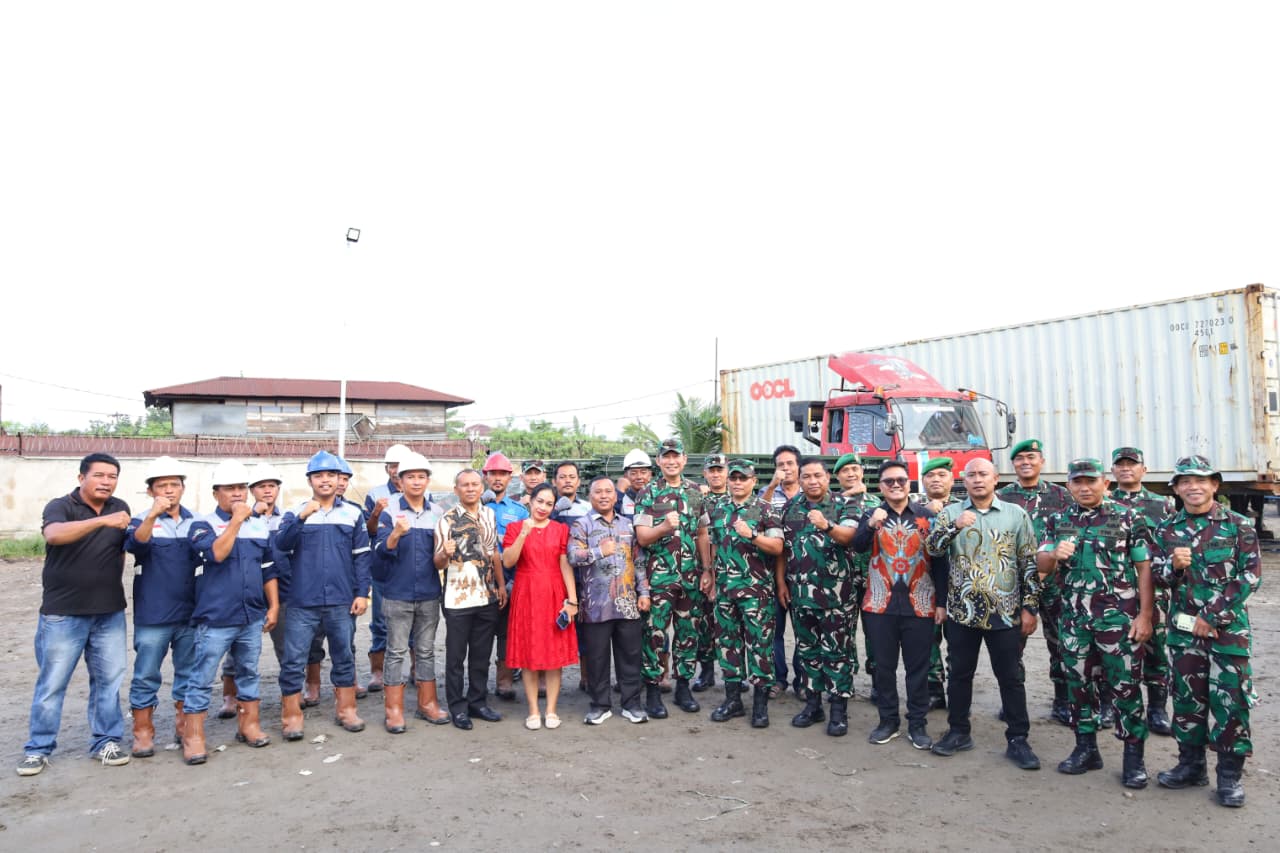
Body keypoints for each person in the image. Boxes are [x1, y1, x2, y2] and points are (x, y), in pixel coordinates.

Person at [1152, 456, 1261, 808]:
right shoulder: (1166, 530)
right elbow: (1157, 578)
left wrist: (1212, 616)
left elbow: (1250, 577)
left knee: (1231, 701)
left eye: (1200, 480)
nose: (1193, 487)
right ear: (1176, 488)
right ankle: (1191, 765)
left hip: (1228, 633)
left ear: (1215, 484)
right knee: (1187, 699)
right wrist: (1173, 567)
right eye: (1185, 481)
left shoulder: (1238, 525)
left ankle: (1229, 777)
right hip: (1184, 634)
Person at [1038, 458, 1154, 788]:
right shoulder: (1058, 519)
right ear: (1069, 486)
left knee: (1126, 687)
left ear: (1105, 483)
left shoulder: (1129, 517)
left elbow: (1144, 568)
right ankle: (1086, 749)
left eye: (1091, 481)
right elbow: (1042, 564)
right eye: (1078, 482)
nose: (1085, 487)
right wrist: (1053, 555)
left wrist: (1145, 615)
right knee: (1078, 685)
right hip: (1075, 620)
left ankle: (1134, 757)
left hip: (1118, 620)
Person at [18, 453, 133, 777]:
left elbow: (119, 553)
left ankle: (106, 742)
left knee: (108, 682)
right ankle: (38, 749)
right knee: (52, 684)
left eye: (112, 476)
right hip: (63, 614)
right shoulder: (61, 506)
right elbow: (54, 535)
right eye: (99, 475)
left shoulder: (120, 507)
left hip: (109, 613)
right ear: (81, 477)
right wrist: (101, 521)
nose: (106, 482)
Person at [925, 458, 1043, 771]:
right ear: (963, 481)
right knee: (959, 675)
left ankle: (1018, 738)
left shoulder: (1015, 514)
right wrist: (954, 526)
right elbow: (933, 549)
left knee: (1011, 677)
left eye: (983, 474)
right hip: (962, 612)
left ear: (996, 478)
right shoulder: (950, 513)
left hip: (1005, 613)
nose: (977, 479)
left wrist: (1030, 607)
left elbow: (1028, 562)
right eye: (972, 475)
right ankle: (958, 731)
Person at [181, 461, 279, 765]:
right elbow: (217, 554)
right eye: (229, 489)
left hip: (251, 616)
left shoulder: (259, 525)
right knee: (202, 676)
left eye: (240, 488)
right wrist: (236, 521)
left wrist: (273, 605)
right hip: (216, 618)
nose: (237, 494)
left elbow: (268, 568)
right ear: (216, 493)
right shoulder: (202, 525)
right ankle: (193, 736)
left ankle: (249, 725)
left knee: (249, 671)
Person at [275, 451, 372, 740]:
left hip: (341, 600)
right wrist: (301, 518)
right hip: (303, 602)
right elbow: (281, 545)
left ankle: (347, 710)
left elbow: (362, 557)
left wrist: (362, 593)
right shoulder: (295, 512)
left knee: (344, 655)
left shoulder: (353, 513)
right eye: (318, 475)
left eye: (331, 475)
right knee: (294, 659)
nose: (325, 480)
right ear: (310, 481)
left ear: (339, 479)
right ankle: (292, 716)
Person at [853, 460, 948, 750]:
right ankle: (888, 721)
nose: (895, 485)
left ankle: (917, 724)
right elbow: (857, 546)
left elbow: (940, 560)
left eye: (901, 480)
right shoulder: (871, 514)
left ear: (909, 484)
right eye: (889, 481)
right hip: (879, 604)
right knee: (883, 668)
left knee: (918, 668)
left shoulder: (926, 516)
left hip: (920, 603)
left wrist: (942, 602)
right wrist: (870, 525)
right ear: (880, 486)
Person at [776, 458, 858, 737]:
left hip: (837, 596)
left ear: (827, 478)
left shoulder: (844, 504)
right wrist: (781, 583)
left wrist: (826, 525)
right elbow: (783, 550)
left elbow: (850, 537)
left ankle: (838, 709)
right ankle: (813, 705)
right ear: (799, 479)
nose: (812, 481)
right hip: (800, 595)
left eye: (818, 475)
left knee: (837, 653)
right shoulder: (790, 508)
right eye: (807, 476)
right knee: (807, 651)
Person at [124, 457, 198, 758]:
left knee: (188, 672)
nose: (169, 490)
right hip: (153, 614)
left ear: (183, 488)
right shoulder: (139, 521)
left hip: (190, 613)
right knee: (145, 674)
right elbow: (136, 545)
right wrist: (153, 515)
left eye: (174, 484)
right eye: (162, 485)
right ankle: (143, 732)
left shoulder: (196, 522)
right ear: (150, 490)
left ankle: (184, 727)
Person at [634, 437, 710, 718]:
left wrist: (707, 569)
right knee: (654, 633)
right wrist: (664, 527)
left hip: (690, 577)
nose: (671, 461)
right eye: (666, 456)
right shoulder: (648, 493)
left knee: (688, 632)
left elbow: (702, 533)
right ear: (658, 461)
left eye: (675, 456)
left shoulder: (695, 492)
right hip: (659, 578)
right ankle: (653, 690)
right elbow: (642, 538)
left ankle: (683, 687)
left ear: (684, 459)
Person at [998, 439, 1072, 725]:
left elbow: (1069, 535)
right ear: (1013, 465)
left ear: (1042, 461)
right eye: (1020, 458)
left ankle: (1063, 701)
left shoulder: (1062, 496)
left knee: (1061, 643)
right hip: (1014, 584)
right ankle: (1012, 702)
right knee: (1011, 645)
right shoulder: (1002, 496)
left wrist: (1046, 567)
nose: (1026, 462)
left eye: (1031, 457)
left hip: (1055, 581)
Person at [704, 461, 783, 728]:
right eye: (734, 478)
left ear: (753, 481)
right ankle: (733, 700)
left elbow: (777, 547)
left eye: (743, 478)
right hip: (725, 590)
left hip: (755, 591)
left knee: (760, 646)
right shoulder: (719, 509)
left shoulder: (765, 509)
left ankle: (760, 705)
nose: (737, 482)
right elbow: (715, 545)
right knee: (727, 644)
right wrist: (711, 576)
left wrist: (752, 536)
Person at [374, 452, 448, 732]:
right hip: (397, 594)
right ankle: (393, 710)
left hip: (429, 594)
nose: (416, 482)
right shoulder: (390, 510)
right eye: (410, 477)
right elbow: (380, 551)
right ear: (400, 480)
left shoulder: (438, 513)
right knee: (395, 652)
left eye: (421, 476)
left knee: (426, 651)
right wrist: (395, 533)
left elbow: (439, 558)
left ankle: (428, 704)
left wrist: (446, 552)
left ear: (428, 480)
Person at [568, 477, 650, 725]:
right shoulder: (581, 525)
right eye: (598, 492)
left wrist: (644, 592)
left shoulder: (628, 525)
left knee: (630, 657)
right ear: (590, 496)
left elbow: (639, 562)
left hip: (628, 604)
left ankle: (631, 705)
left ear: (616, 496)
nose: (603, 496)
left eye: (608, 491)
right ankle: (599, 706)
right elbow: (572, 557)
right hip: (595, 606)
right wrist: (599, 552)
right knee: (597, 659)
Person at [1109, 446, 1177, 736]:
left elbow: (1173, 544)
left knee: (1156, 649)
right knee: (1113, 649)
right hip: (1114, 591)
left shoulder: (1162, 505)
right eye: (1121, 464)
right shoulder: (1105, 502)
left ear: (1144, 470)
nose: (1126, 468)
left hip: (1156, 589)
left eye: (1132, 464)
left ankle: (1157, 709)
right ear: (1112, 471)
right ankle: (1110, 706)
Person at [434, 469, 507, 730]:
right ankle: (457, 707)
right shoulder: (446, 520)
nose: (470, 488)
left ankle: (478, 702)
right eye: (464, 485)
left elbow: (494, 552)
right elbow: (437, 562)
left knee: (481, 655)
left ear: (481, 487)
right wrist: (445, 553)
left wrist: (501, 585)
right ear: (456, 490)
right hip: (458, 599)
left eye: (475, 484)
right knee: (455, 658)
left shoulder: (489, 514)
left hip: (486, 595)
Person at [503, 482, 579, 729]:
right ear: (530, 500)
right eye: (539, 501)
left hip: (554, 592)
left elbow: (565, 564)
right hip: (526, 593)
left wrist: (572, 600)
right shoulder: (515, 527)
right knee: (529, 654)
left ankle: (552, 710)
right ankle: (533, 710)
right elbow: (508, 561)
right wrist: (524, 533)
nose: (543, 507)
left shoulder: (560, 529)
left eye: (549, 503)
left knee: (554, 655)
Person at [362, 443, 413, 694]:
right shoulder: (376, 494)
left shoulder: (420, 491)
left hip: (410, 565)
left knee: (414, 618)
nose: (396, 470)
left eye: (401, 466)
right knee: (381, 620)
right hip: (383, 565)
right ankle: (378, 671)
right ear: (387, 468)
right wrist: (376, 513)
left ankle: (416, 668)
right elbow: (370, 532)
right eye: (393, 466)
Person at [483, 452, 529, 701]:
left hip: (509, 582)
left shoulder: (519, 511)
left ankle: (504, 680)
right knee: (479, 634)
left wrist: (513, 583)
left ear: (510, 478)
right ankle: (478, 682)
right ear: (486, 476)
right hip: (478, 583)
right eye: (493, 474)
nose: (498, 478)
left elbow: (525, 551)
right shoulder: (476, 505)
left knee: (506, 633)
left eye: (502, 474)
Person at [914, 456, 957, 711]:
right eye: (930, 476)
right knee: (927, 641)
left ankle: (957, 691)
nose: (936, 480)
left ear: (952, 479)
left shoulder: (964, 508)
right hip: (925, 586)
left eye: (942, 475)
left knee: (959, 643)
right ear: (923, 481)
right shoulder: (914, 510)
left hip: (959, 587)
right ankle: (933, 690)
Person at [834, 452, 879, 700]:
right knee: (844, 632)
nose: (851, 474)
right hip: (843, 578)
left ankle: (877, 681)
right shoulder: (833, 502)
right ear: (838, 477)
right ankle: (845, 681)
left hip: (873, 578)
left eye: (855, 469)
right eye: (845, 470)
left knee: (875, 633)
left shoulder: (876, 502)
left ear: (862, 472)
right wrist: (846, 497)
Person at [763, 444, 803, 700]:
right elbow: (755, 514)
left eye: (790, 464)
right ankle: (779, 679)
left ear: (799, 467)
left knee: (803, 632)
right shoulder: (767, 493)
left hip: (804, 574)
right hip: (770, 572)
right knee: (774, 631)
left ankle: (802, 680)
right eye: (780, 465)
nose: (786, 468)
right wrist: (771, 486)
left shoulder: (811, 493)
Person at [692, 453, 729, 693]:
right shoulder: (698, 499)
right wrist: (707, 570)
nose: (716, 474)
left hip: (731, 571)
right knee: (703, 623)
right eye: (711, 470)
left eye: (719, 470)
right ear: (705, 473)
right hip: (702, 569)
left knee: (730, 626)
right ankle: (706, 672)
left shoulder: (738, 496)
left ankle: (733, 673)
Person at [617, 449, 654, 518]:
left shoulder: (659, 496)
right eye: (633, 473)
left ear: (650, 475)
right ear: (625, 476)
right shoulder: (620, 498)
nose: (639, 477)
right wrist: (619, 493)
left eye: (643, 472)